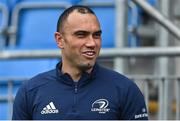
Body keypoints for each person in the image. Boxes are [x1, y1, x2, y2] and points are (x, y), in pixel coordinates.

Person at [12, 5, 148, 120]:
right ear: (59, 40)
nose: (92, 43)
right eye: (81, 35)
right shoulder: (30, 92)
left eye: (96, 35)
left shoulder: (125, 89)